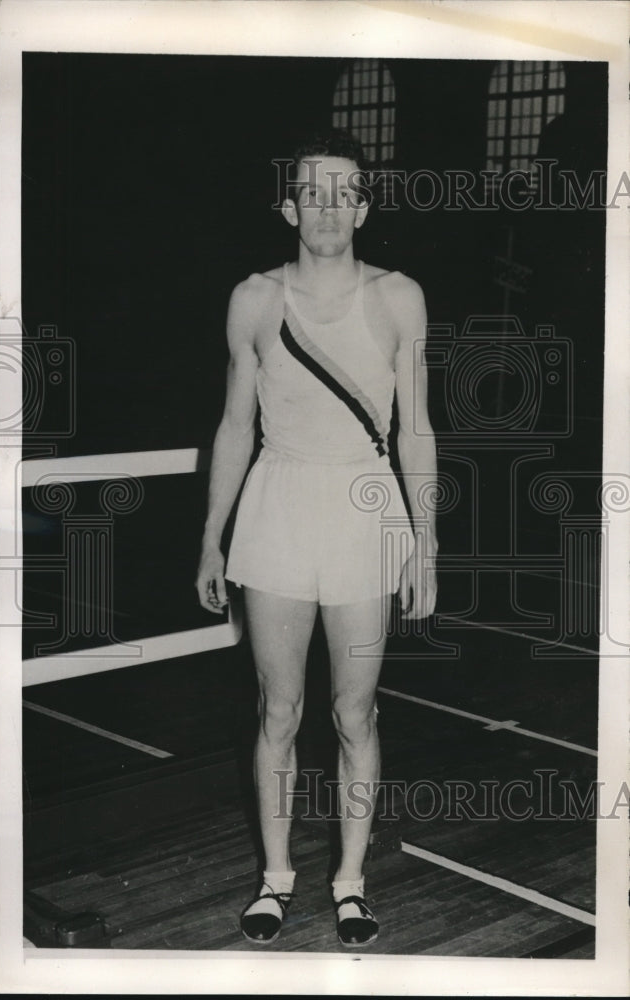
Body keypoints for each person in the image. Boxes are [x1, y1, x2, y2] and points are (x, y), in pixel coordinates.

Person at [195, 129, 437, 948]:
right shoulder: (254, 298)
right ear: (289, 204)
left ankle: (351, 884)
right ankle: (275, 880)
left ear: (363, 206)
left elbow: (416, 432)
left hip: (366, 512)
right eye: (313, 192)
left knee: (353, 713)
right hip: (277, 507)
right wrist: (210, 540)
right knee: (280, 709)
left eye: (345, 192)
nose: (329, 207)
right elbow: (233, 427)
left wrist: (425, 544)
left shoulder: (400, 296)